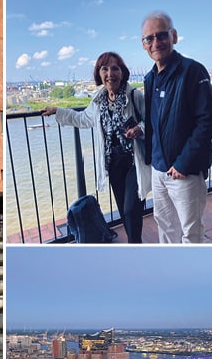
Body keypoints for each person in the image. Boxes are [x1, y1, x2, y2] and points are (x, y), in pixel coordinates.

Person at [42, 52, 149, 243]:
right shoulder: (99, 101)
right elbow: (83, 119)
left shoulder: (135, 96)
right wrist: (58, 111)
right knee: (124, 211)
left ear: (122, 72)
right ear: (99, 74)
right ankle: (136, 244)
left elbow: (152, 123)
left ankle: (135, 247)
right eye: (104, 69)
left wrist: (140, 130)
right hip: (113, 162)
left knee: (131, 208)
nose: (110, 73)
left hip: (134, 160)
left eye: (115, 68)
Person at [141, 11, 212, 243]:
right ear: (143, 44)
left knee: (190, 230)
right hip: (158, 168)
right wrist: (151, 159)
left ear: (174, 36)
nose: (156, 42)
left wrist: (183, 163)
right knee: (164, 225)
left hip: (184, 172)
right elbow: (155, 122)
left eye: (161, 35)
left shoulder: (192, 71)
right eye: (149, 38)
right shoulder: (149, 78)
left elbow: (207, 120)